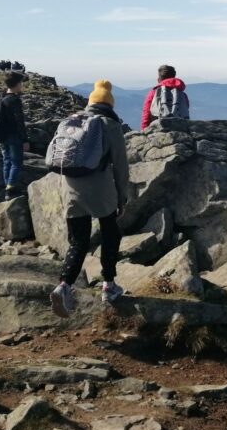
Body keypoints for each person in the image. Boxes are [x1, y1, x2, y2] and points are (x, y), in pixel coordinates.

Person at [50, 80, 130, 317]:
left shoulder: (72, 121)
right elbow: (121, 167)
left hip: (71, 189)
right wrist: (122, 198)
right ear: (109, 104)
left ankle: (63, 285)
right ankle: (109, 285)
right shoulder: (110, 125)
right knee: (110, 233)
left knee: (78, 241)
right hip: (101, 191)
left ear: (91, 102)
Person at [0, 72, 29, 201]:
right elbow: (19, 122)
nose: (22, 85)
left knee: (7, 162)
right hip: (14, 137)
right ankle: (11, 190)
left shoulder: (3, 99)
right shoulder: (15, 100)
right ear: (17, 84)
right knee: (16, 163)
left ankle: (7, 188)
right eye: (21, 83)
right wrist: (25, 140)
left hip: (3, 136)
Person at [140, 64, 190, 129]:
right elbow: (185, 111)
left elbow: (146, 113)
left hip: (158, 128)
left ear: (159, 79)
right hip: (180, 128)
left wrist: (144, 130)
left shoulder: (153, 93)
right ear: (174, 77)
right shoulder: (182, 94)